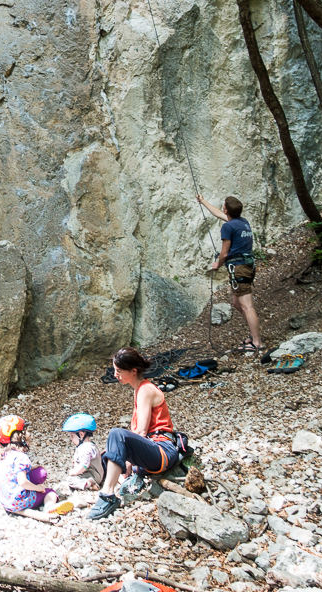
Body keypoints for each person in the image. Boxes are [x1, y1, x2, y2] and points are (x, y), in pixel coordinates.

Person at [88, 348, 181, 520]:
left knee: (116, 435)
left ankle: (108, 495)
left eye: (119, 371)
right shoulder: (138, 389)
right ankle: (113, 484)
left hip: (162, 450)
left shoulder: (146, 390)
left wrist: (128, 460)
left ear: (133, 371)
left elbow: (141, 431)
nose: (115, 375)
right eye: (114, 370)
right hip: (153, 451)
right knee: (107, 454)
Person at [196, 193, 265, 353]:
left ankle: (257, 342)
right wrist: (203, 201)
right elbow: (218, 214)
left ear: (226, 210)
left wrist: (217, 265)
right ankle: (253, 335)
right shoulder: (242, 222)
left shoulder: (228, 227)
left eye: (224, 207)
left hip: (239, 267)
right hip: (245, 266)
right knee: (236, 304)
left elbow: (225, 253)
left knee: (247, 306)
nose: (222, 209)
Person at [0, 415, 73, 516]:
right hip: (18, 502)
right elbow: (22, 482)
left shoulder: (2, 456)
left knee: (38, 473)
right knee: (50, 492)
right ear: (19, 436)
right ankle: (48, 507)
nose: (28, 434)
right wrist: (37, 488)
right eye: (24, 431)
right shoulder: (20, 457)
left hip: (5, 500)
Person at [62, 413, 105, 490]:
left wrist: (74, 472)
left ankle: (88, 484)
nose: (71, 439)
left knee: (70, 480)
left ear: (81, 435)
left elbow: (85, 465)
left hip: (91, 475)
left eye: (72, 436)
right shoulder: (91, 445)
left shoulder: (84, 448)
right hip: (98, 474)